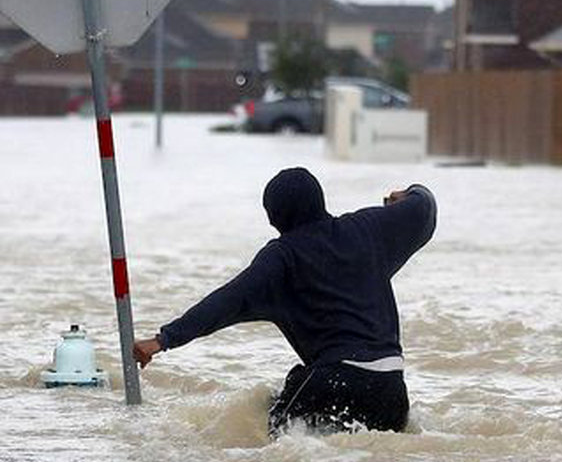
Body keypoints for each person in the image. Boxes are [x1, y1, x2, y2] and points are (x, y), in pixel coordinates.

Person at [132, 167, 436, 437]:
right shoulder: (369, 229)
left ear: (273, 217)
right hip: (392, 393)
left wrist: (164, 339)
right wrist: (410, 192)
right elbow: (424, 207)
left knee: (276, 447)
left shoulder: (281, 259)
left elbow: (227, 300)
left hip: (335, 381)